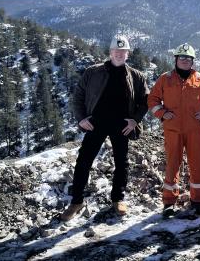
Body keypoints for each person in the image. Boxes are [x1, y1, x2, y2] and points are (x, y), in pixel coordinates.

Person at [61, 34, 149, 222]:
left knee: (122, 162)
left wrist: (135, 120)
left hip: (122, 125)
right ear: (110, 52)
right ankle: (76, 201)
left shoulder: (137, 76)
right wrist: (81, 118)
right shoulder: (92, 72)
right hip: (96, 123)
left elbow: (145, 102)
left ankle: (118, 198)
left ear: (128, 54)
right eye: (116, 51)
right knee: (84, 161)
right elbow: (78, 97)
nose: (119, 54)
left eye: (122, 51)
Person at [148, 43, 200, 217]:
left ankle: (199, 201)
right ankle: (169, 202)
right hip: (173, 130)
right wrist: (162, 113)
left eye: (188, 58)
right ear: (176, 59)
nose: (185, 61)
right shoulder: (165, 78)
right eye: (182, 58)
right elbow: (153, 100)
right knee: (172, 165)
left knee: (197, 164)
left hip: (195, 131)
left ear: (192, 61)